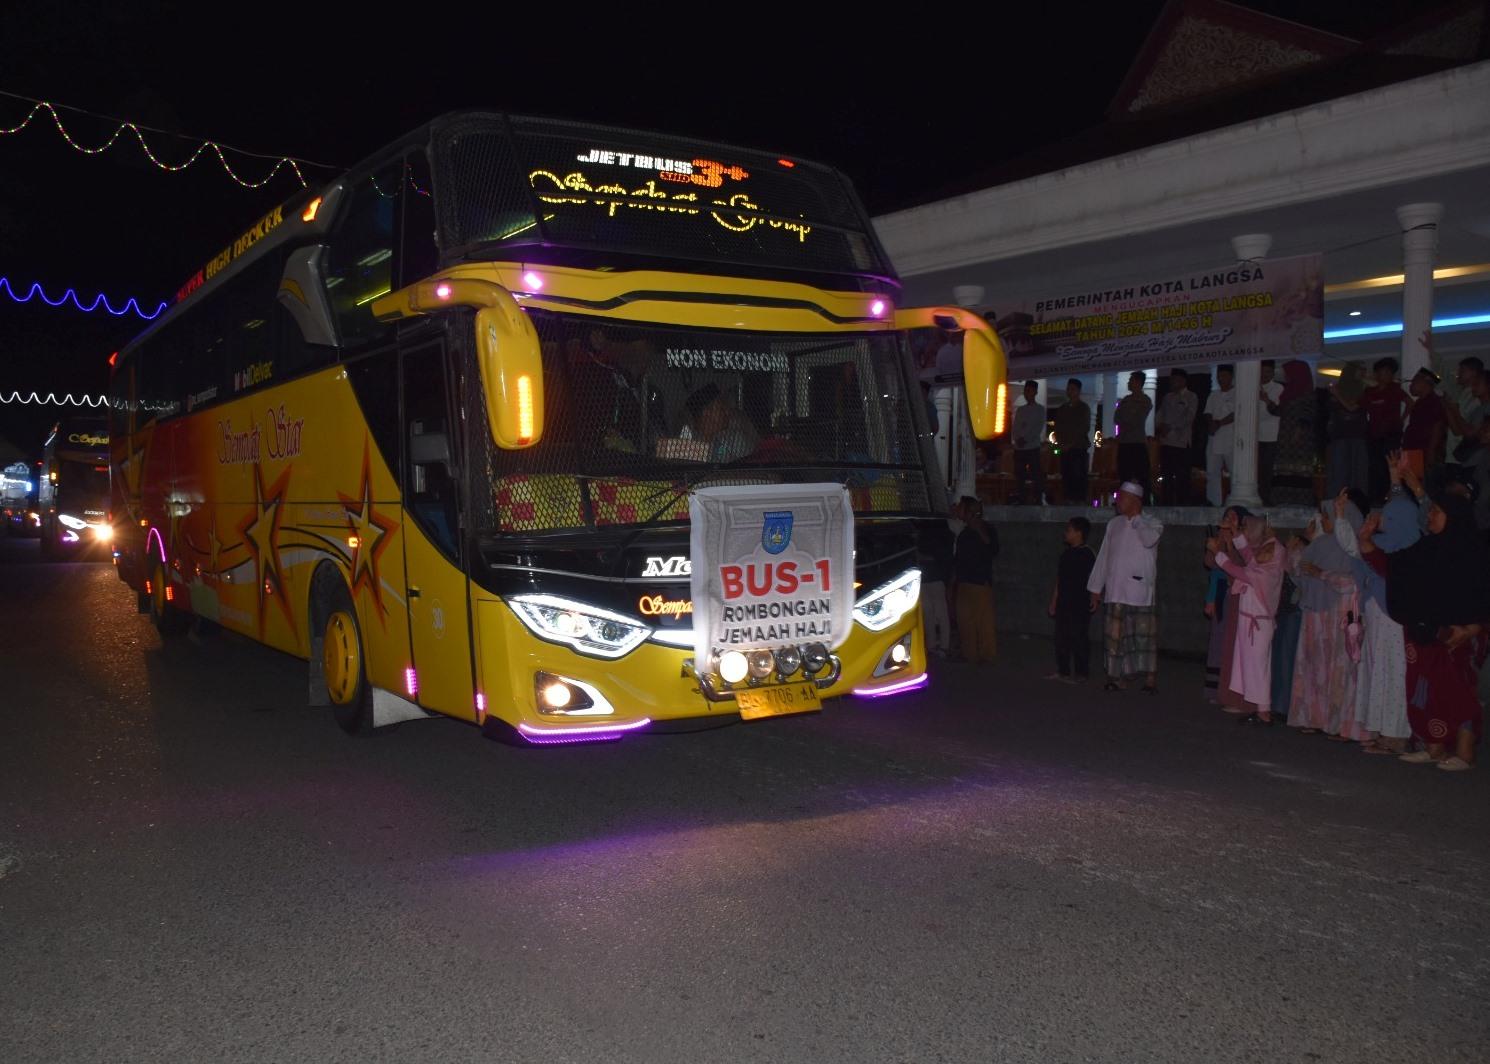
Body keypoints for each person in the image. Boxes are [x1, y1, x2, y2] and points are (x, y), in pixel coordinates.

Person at [1385, 456, 1490, 770]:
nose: (1429, 515)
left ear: (1454, 514)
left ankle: (1465, 752)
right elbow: (1401, 568)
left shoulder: (1474, 550)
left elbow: (1483, 595)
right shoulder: (1431, 547)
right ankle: (1433, 747)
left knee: (1459, 691)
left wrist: (1472, 629)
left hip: (1465, 633)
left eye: (1436, 510)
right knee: (1427, 688)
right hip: (1434, 630)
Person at [1334, 479, 1418, 754]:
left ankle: (1397, 733)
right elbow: (1353, 548)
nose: (1383, 517)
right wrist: (1339, 517)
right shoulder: (1381, 543)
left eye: (1390, 515)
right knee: (1377, 671)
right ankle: (1382, 729)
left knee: (1394, 673)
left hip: (1393, 619)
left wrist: (1398, 479)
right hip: (1377, 616)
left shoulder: (1408, 548)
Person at [1287, 496, 1365, 738]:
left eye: (1327, 516)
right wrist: (1296, 555)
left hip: (1340, 615)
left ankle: (1341, 723)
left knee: (1340, 669)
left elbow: (1353, 583)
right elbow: (1299, 578)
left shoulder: (1352, 547)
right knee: (1314, 667)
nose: (1323, 520)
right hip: (1316, 614)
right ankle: (1315, 716)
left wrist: (1322, 574)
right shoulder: (1320, 544)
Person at [1087, 481, 1164, 693]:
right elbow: (1104, 556)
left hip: (1139, 590)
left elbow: (1149, 540)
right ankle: (1117, 677)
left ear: (1135, 500)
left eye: (1122, 497)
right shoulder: (1114, 524)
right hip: (1115, 589)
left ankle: (1150, 678)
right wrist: (1096, 588)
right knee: (1116, 636)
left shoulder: (1153, 523)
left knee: (1143, 636)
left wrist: (1136, 519)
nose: (1117, 501)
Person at [1212, 513, 1286, 724]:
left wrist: (1219, 555)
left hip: (1258, 622)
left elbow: (1244, 572)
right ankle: (1259, 708)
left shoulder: (1268, 570)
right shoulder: (1264, 562)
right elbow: (1249, 558)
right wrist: (1235, 533)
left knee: (1258, 667)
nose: (1262, 553)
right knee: (1250, 665)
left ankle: (1263, 711)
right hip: (1250, 619)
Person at [1205, 504, 1251, 712]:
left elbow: (1239, 567)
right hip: (1222, 592)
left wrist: (1229, 546)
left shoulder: (1245, 541)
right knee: (1217, 640)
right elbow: (1211, 566)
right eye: (1227, 516)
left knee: (1231, 642)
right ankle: (1215, 689)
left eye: (1233, 517)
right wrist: (1214, 547)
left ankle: (1230, 690)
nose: (1228, 520)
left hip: (1238, 593)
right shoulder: (1220, 539)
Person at [1046, 516, 1096, 684]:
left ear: (1078, 533)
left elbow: (1095, 578)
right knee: (1061, 637)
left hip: (1080, 603)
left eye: (1068, 530)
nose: (1065, 533)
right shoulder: (1066, 554)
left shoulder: (1088, 554)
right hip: (1064, 602)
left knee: (1079, 637)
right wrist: (1054, 601)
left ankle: (1082, 673)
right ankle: (1063, 671)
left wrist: (1095, 596)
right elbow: (1060, 579)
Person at [952, 496, 998, 665]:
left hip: (979, 581)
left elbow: (993, 549)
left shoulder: (985, 529)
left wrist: (979, 530)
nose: (959, 511)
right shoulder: (964, 533)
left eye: (962, 508)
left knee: (983, 620)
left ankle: (986, 655)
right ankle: (969, 653)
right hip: (964, 580)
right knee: (965, 620)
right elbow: (959, 559)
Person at [1362, 357, 1410, 503]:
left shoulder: (1395, 390)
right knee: (1374, 470)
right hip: (1374, 436)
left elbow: (1410, 403)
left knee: (1391, 469)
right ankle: (1375, 501)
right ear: (1377, 374)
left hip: (1391, 435)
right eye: (1383, 372)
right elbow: (1358, 407)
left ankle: (1392, 499)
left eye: (1389, 373)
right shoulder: (1370, 391)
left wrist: (1401, 420)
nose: (1387, 376)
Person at [1272, 360, 1318, 505]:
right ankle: (1283, 498)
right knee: (1285, 467)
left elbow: (1307, 414)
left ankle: (1300, 499)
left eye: (1289, 374)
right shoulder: (1289, 392)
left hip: (1300, 437)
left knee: (1298, 467)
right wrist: (1267, 401)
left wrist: (1298, 432)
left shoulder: (1306, 393)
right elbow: (1279, 411)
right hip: (1286, 435)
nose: (1286, 377)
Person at [684, 383, 758, 462]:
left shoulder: (735, 439)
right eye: (722, 408)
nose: (727, 412)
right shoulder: (686, 444)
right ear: (707, 412)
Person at [1325, 363, 1369, 497]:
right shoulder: (1338, 390)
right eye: (1359, 370)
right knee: (1339, 472)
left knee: (1358, 471)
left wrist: (1337, 395)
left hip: (1358, 436)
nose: (1362, 374)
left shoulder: (1363, 391)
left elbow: (1352, 408)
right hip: (1340, 436)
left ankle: (1358, 502)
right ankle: (1336, 502)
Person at [1156, 368, 1198, 505]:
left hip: (1181, 442)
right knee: (1166, 476)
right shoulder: (1167, 397)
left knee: (1182, 477)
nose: (1173, 382)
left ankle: (1183, 505)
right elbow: (1160, 414)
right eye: (1172, 379)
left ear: (1183, 381)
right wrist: (1160, 426)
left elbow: (1189, 417)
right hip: (1166, 442)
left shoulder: (1191, 396)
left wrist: (1171, 426)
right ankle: (1166, 504)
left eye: (1176, 379)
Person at [916, 518, 956, 658]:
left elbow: (939, 556)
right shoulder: (939, 532)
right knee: (930, 612)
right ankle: (934, 645)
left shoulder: (938, 534)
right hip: (928, 577)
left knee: (938, 612)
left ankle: (942, 646)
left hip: (934, 577)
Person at [1401, 367, 1447, 479]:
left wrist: (1431, 452)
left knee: (1421, 487)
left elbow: (1438, 427)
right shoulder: (1419, 402)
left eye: (1414, 381)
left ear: (1424, 382)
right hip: (1413, 451)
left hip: (1423, 453)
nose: (1411, 386)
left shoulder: (1434, 401)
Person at [1115, 371, 1153, 502]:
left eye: (1131, 380)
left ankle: (1145, 502)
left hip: (1137, 442)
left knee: (1142, 476)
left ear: (1138, 382)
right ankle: (1123, 503)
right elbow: (1117, 417)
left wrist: (1127, 420)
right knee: (1124, 474)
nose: (1128, 383)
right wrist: (1127, 419)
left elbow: (1137, 419)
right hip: (1124, 442)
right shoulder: (1126, 400)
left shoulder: (1145, 400)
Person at [1053, 379, 1091, 505]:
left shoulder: (1083, 408)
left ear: (1078, 391)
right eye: (1068, 388)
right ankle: (1068, 500)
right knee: (1067, 475)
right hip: (1064, 448)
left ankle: (1080, 501)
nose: (1069, 391)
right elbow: (1057, 428)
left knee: (1078, 476)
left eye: (1072, 389)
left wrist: (1070, 444)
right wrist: (1060, 443)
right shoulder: (1062, 408)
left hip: (1078, 448)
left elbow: (1083, 428)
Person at [1204, 365, 1237, 507]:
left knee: (1234, 473)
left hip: (1230, 438)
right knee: (1212, 472)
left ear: (1231, 376)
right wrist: (1211, 423)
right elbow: (1207, 412)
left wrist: (1219, 423)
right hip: (1214, 438)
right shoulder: (1214, 394)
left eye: (1224, 375)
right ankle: (1214, 503)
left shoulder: (1237, 393)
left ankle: (1235, 503)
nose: (1221, 378)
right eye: (1219, 375)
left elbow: (1236, 414)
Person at [1011, 380, 1046, 505]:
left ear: (1035, 392)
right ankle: (1021, 497)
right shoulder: (1020, 410)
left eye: (1030, 390)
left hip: (1032, 447)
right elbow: (1015, 427)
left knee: (1035, 473)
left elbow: (1037, 428)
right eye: (1025, 391)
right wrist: (1017, 439)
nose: (1027, 393)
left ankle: (1038, 498)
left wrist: (1025, 439)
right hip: (1019, 448)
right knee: (1019, 474)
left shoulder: (1040, 409)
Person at [1257, 360, 1283, 505]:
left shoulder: (1278, 388)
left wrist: (1265, 399)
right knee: (1258, 472)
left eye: (1268, 372)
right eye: (1262, 371)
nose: (1264, 375)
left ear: (1273, 373)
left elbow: (1274, 411)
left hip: (1272, 436)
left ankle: (1267, 500)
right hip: (1256, 436)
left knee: (1268, 471)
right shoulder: (1252, 386)